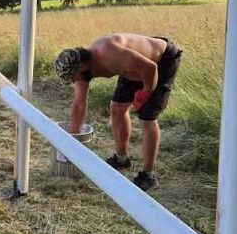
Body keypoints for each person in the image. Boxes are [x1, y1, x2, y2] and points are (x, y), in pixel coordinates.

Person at [54, 34, 183, 192]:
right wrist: (72, 141)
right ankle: (122, 159)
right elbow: (79, 105)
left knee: (147, 117)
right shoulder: (83, 71)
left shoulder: (108, 54)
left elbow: (150, 68)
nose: (74, 81)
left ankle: (148, 175)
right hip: (134, 68)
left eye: (72, 77)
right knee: (117, 108)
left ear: (81, 67)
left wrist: (144, 94)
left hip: (161, 60)